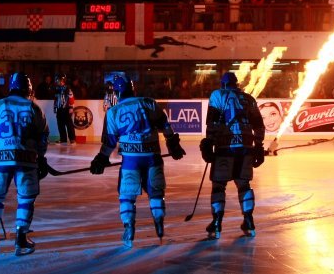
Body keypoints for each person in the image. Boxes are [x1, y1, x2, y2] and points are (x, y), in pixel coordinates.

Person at [89, 73, 186, 248]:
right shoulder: (149, 102)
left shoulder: (113, 111)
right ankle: (159, 222)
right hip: (152, 158)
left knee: (126, 195)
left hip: (130, 161)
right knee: (156, 192)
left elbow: (109, 142)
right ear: (133, 89)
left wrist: (101, 159)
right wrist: (173, 145)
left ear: (117, 93)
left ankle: (128, 227)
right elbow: (166, 127)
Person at [0, 73, 50, 256]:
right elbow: (43, 135)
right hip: (26, 157)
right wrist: (40, 156)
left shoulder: (0, 105)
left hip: (0, 157)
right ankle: (21, 238)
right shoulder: (33, 107)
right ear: (28, 89)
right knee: (26, 199)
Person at [199, 72, 266, 240]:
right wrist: (258, 145)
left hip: (225, 147)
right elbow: (259, 125)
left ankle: (216, 222)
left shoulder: (217, 95)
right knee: (244, 185)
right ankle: (249, 221)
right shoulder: (249, 99)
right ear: (237, 84)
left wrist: (209, 142)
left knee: (218, 186)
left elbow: (212, 122)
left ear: (223, 84)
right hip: (245, 146)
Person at [53, 73, 76, 145]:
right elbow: (56, 99)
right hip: (59, 109)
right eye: (57, 80)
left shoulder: (67, 88)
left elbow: (71, 98)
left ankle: (72, 139)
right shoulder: (57, 89)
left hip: (66, 108)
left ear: (62, 80)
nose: (57, 81)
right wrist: (55, 107)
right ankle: (63, 139)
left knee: (69, 124)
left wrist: (71, 107)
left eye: (58, 80)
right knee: (60, 124)